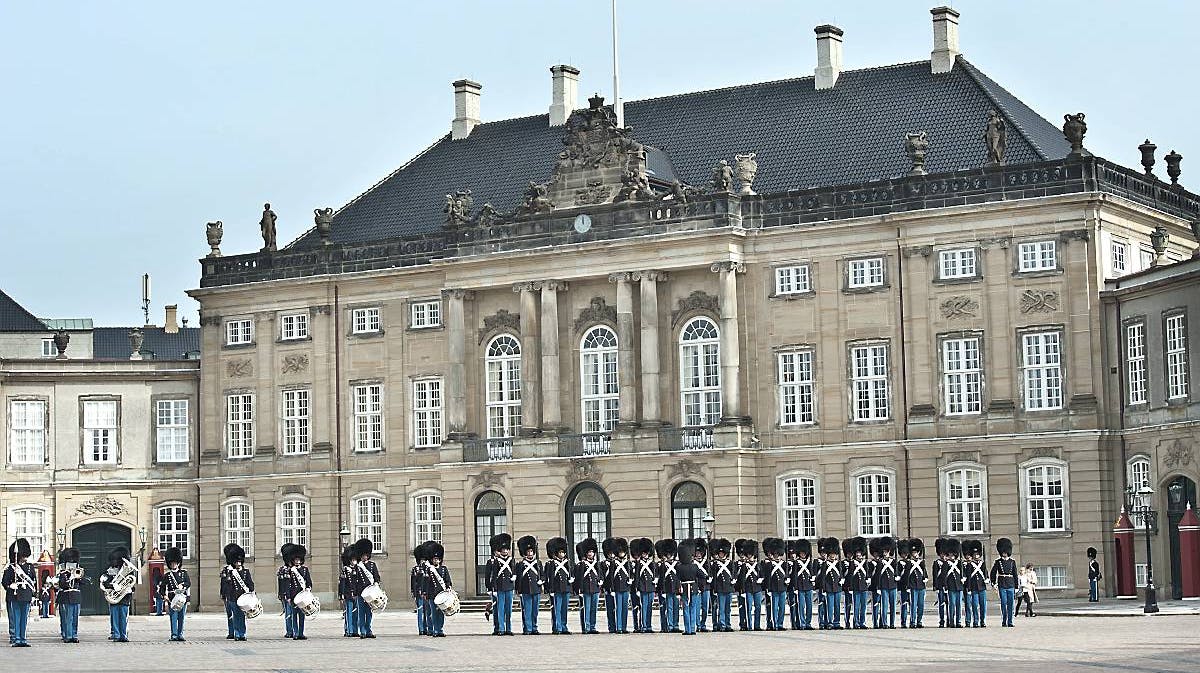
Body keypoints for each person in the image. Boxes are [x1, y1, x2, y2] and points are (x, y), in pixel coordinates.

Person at [4, 538, 35, 647]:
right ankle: (17, 638)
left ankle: (23, 638)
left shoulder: (30, 567)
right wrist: (10, 586)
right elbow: (5, 581)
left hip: (26, 595)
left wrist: (34, 596)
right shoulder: (11, 568)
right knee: (16, 618)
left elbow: (33, 581)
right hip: (15, 595)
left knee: (24, 619)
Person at [99, 546, 134, 643]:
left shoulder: (128, 571)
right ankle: (116, 634)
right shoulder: (109, 571)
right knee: (115, 617)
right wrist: (113, 585)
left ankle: (124, 635)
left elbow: (131, 582)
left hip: (125, 597)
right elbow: (105, 583)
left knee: (124, 617)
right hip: (113, 596)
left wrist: (129, 589)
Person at [278, 543, 312, 640]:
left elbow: (308, 581)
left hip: (302, 596)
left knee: (302, 616)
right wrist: (287, 596)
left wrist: (309, 589)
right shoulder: (289, 570)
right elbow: (287, 585)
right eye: (296, 560)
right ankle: (295, 632)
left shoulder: (305, 570)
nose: (297, 561)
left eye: (299, 560)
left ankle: (301, 633)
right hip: (293, 596)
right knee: (293, 615)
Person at [220, 543, 254, 641]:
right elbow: (225, 585)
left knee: (242, 616)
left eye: (240, 562)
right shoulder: (229, 572)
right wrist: (225, 595)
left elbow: (250, 583)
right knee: (235, 616)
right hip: (233, 597)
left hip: (243, 597)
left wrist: (251, 592)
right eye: (236, 562)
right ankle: (237, 633)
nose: (238, 564)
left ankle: (242, 633)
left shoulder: (245, 572)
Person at [485, 533, 515, 636]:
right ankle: (499, 628)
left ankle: (508, 628)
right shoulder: (494, 562)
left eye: (506, 549)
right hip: (499, 587)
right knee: (499, 609)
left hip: (509, 587)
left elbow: (513, 571)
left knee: (508, 610)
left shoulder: (511, 560)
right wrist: (491, 588)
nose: (504, 551)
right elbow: (491, 576)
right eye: (502, 549)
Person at [158, 546, 190, 641]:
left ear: (178, 563)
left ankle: (180, 634)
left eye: (175, 563)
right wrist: (164, 596)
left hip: (182, 598)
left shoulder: (184, 573)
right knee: (173, 617)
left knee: (181, 618)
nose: (173, 565)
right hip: (172, 598)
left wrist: (183, 586)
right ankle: (174, 634)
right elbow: (162, 588)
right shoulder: (167, 575)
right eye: (171, 563)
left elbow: (188, 583)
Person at [421, 542, 451, 637]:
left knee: (441, 612)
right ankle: (435, 630)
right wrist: (424, 592)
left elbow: (448, 580)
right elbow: (425, 582)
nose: (436, 561)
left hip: (442, 594)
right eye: (434, 559)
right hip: (432, 594)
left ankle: (440, 629)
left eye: (437, 559)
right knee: (434, 612)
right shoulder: (429, 569)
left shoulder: (443, 569)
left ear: (440, 560)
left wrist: (449, 586)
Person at [544, 537, 573, 635]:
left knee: (564, 609)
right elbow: (550, 577)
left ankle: (564, 626)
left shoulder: (567, 563)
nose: (562, 554)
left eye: (563, 552)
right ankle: (557, 627)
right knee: (557, 609)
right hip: (556, 589)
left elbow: (570, 573)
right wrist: (550, 589)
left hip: (566, 588)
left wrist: (571, 580)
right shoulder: (551, 564)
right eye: (560, 552)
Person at [54, 547, 83, 643]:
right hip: (66, 596)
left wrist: (79, 578)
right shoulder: (63, 572)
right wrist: (69, 577)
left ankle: (74, 635)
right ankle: (67, 635)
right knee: (67, 618)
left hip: (76, 596)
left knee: (75, 618)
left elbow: (82, 583)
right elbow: (62, 584)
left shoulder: (78, 569)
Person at [515, 535, 543, 635]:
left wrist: (541, 581)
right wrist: (518, 590)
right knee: (527, 611)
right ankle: (528, 628)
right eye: (528, 552)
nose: (530, 553)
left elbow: (542, 575)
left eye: (531, 551)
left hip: (536, 589)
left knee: (535, 611)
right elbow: (519, 578)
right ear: (525, 553)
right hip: (526, 590)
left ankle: (534, 627)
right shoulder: (521, 564)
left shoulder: (538, 563)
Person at [573, 538, 602, 634]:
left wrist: (601, 580)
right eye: (589, 552)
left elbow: (600, 574)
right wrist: (579, 590)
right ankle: (586, 627)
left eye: (592, 552)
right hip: (585, 589)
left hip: (595, 588)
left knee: (593, 609)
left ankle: (592, 627)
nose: (590, 554)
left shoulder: (597, 564)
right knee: (586, 609)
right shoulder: (582, 564)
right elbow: (579, 578)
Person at [814, 537, 843, 630]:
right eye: (831, 554)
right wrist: (823, 589)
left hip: (837, 587)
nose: (833, 556)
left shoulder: (839, 564)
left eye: (834, 554)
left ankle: (837, 622)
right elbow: (823, 578)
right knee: (830, 606)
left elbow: (841, 574)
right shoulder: (825, 564)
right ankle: (830, 622)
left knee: (837, 606)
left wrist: (842, 579)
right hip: (829, 587)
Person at [707, 538, 735, 632]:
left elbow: (733, 573)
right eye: (720, 553)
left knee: (728, 609)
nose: (721, 554)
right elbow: (714, 577)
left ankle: (728, 624)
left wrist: (734, 579)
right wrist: (714, 589)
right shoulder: (715, 564)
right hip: (720, 589)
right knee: (721, 608)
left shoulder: (730, 563)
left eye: (723, 553)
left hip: (729, 588)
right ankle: (722, 624)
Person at [354, 538, 381, 638]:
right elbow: (355, 580)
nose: (364, 557)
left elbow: (376, 577)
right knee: (361, 613)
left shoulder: (372, 565)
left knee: (369, 612)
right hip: (361, 592)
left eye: (365, 555)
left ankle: (368, 630)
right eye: (362, 556)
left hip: (371, 593)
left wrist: (377, 584)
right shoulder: (358, 567)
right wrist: (355, 592)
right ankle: (363, 631)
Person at [761, 537, 789, 631]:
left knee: (782, 607)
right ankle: (774, 623)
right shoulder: (769, 564)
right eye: (775, 554)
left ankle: (780, 624)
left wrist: (787, 580)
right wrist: (768, 589)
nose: (776, 556)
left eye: (778, 554)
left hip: (782, 588)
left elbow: (786, 574)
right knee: (774, 608)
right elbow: (768, 578)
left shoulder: (784, 564)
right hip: (773, 588)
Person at [788, 538, 816, 630]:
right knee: (801, 606)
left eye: (804, 553)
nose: (803, 554)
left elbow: (812, 572)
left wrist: (813, 580)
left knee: (809, 606)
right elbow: (795, 576)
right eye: (801, 553)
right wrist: (795, 588)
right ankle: (802, 623)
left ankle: (808, 623)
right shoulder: (796, 562)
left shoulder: (809, 562)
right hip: (800, 586)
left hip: (808, 586)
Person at [872, 537, 899, 629]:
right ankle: (884, 623)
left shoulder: (893, 561)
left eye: (886, 551)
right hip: (884, 586)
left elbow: (896, 571)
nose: (885, 553)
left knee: (893, 606)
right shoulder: (880, 562)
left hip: (893, 585)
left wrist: (897, 576)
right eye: (884, 552)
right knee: (884, 606)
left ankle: (892, 623)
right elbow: (878, 576)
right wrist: (878, 587)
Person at [655, 538, 681, 633]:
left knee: (676, 608)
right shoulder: (662, 565)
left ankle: (676, 625)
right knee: (669, 608)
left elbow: (679, 578)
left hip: (675, 588)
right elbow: (661, 578)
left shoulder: (677, 564)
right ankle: (670, 625)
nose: (669, 555)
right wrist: (663, 591)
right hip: (667, 589)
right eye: (668, 554)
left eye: (670, 554)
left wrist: (679, 589)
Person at [677, 539, 702, 635]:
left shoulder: (679, 567)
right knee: (693, 608)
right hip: (693, 588)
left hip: (684, 588)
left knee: (686, 609)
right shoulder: (694, 566)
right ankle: (693, 629)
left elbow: (677, 579)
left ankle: (687, 629)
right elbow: (702, 575)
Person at [990, 538, 1018, 628]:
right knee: (1003, 603)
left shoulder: (1012, 562)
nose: (1004, 553)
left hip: (1010, 584)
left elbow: (1015, 574)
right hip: (1002, 584)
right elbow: (993, 573)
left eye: (1005, 552)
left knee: (1011, 604)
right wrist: (993, 583)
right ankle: (1004, 620)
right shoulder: (998, 562)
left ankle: (1010, 621)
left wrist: (1016, 587)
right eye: (1003, 552)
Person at [631, 537, 657, 633]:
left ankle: (649, 626)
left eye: (646, 553)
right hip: (642, 587)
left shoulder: (652, 563)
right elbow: (637, 576)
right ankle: (644, 626)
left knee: (650, 608)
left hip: (650, 587)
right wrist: (637, 588)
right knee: (644, 607)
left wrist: (655, 582)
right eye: (643, 553)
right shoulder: (639, 563)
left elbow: (655, 574)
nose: (645, 555)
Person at [737, 539, 763, 631]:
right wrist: (743, 591)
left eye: (751, 555)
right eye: (748, 555)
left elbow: (763, 575)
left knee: (758, 607)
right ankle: (749, 625)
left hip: (757, 589)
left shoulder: (758, 565)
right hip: (748, 589)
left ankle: (757, 625)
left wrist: (761, 579)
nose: (750, 556)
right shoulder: (745, 565)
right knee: (748, 608)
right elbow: (743, 579)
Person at [606, 537, 631, 634]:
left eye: (623, 551)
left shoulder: (627, 563)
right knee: (618, 608)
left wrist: (631, 580)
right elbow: (611, 577)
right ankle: (619, 627)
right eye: (620, 552)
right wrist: (612, 589)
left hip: (625, 587)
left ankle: (624, 627)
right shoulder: (613, 563)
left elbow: (631, 574)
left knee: (625, 608)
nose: (621, 553)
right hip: (617, 588)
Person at [845, 537, 871, 629]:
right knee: (856, 606)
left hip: (863, 586)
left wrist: (868, 579)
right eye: (857, 554)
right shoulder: (852, 563)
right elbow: (851, 576)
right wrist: (851, 587)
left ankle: (862, 622)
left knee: (863, 606)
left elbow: (867, 572)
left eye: (860, 554)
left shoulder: (865, 563)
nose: (859, 555)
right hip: (856, 587)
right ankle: (856, 622)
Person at [938, 538, 964, 628]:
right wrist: (945, 586)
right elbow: (944, 575)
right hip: (951, 586)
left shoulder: (959, 563)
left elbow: (963, 573)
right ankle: (952, 621)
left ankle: (959, 621)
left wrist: (963, 578)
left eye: (953, 554)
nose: (951, 555)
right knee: (952, 605)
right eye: (950, 554)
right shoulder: (946, 564)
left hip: (959, 586)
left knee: (959, 605)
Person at [963, 539, 988, 628]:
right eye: (974, 555)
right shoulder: (970, 565)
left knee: (983, 605)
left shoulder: (982, 564)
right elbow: (969, 578)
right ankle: (976, 621)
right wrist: (969, 589)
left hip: (982, 587)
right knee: (974, 605)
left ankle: (982, 621)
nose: (976, 556)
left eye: (977, 554)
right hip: (973, 587)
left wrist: (987, 579)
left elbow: (985, 573)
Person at [903, 538, 927, 628]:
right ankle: (912, 621)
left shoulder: (922, 562)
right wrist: (908, 586)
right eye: (913, 553)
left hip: (921, 586)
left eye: (916, 552)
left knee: (921, 605)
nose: (914, 554)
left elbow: (925, 572)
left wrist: (926, 578)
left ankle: (919, 621)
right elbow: (907, 575)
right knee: (913, 605)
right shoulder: (909, 563)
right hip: (913, 586)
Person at [338, 546, 361, 637]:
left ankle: (355, 630)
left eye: (355, 559)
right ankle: (349, 630)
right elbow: (342, 583)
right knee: (348, 613)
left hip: (356, 593)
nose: (353, 561)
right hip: (348, 594)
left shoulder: (358, 569)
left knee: (356, 613)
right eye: (352, 559)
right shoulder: (345, 569)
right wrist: (341, 594)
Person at [410, 544, 430, 635]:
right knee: (420, 611)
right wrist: (414, 592)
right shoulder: (415, 569)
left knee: (427, 611)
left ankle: (427, 627)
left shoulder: (429, 569)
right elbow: (413, 582)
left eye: (424, 559)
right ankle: (421, 629)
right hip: (419, 593)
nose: (423, 561)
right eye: (421, 559)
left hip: (427, 593)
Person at [692, 538, 711, 632]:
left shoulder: (706, 562)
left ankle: (703, 624)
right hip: (696, 587)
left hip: (706, 587)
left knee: (705, 607)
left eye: (700, 552)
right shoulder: (692, 563)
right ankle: (697, 624)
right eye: (697, 552)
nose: (698, 554)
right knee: (696, 606)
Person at [600, 538, 618, 634]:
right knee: (610, 609)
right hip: (608, 589)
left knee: (618, 609)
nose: (611, 555)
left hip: (618, 588)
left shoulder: (618, 564)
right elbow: (602, 576)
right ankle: (611, 627)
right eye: (609, 553)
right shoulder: (603, 564)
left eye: (613, 553)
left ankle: (619, 625)